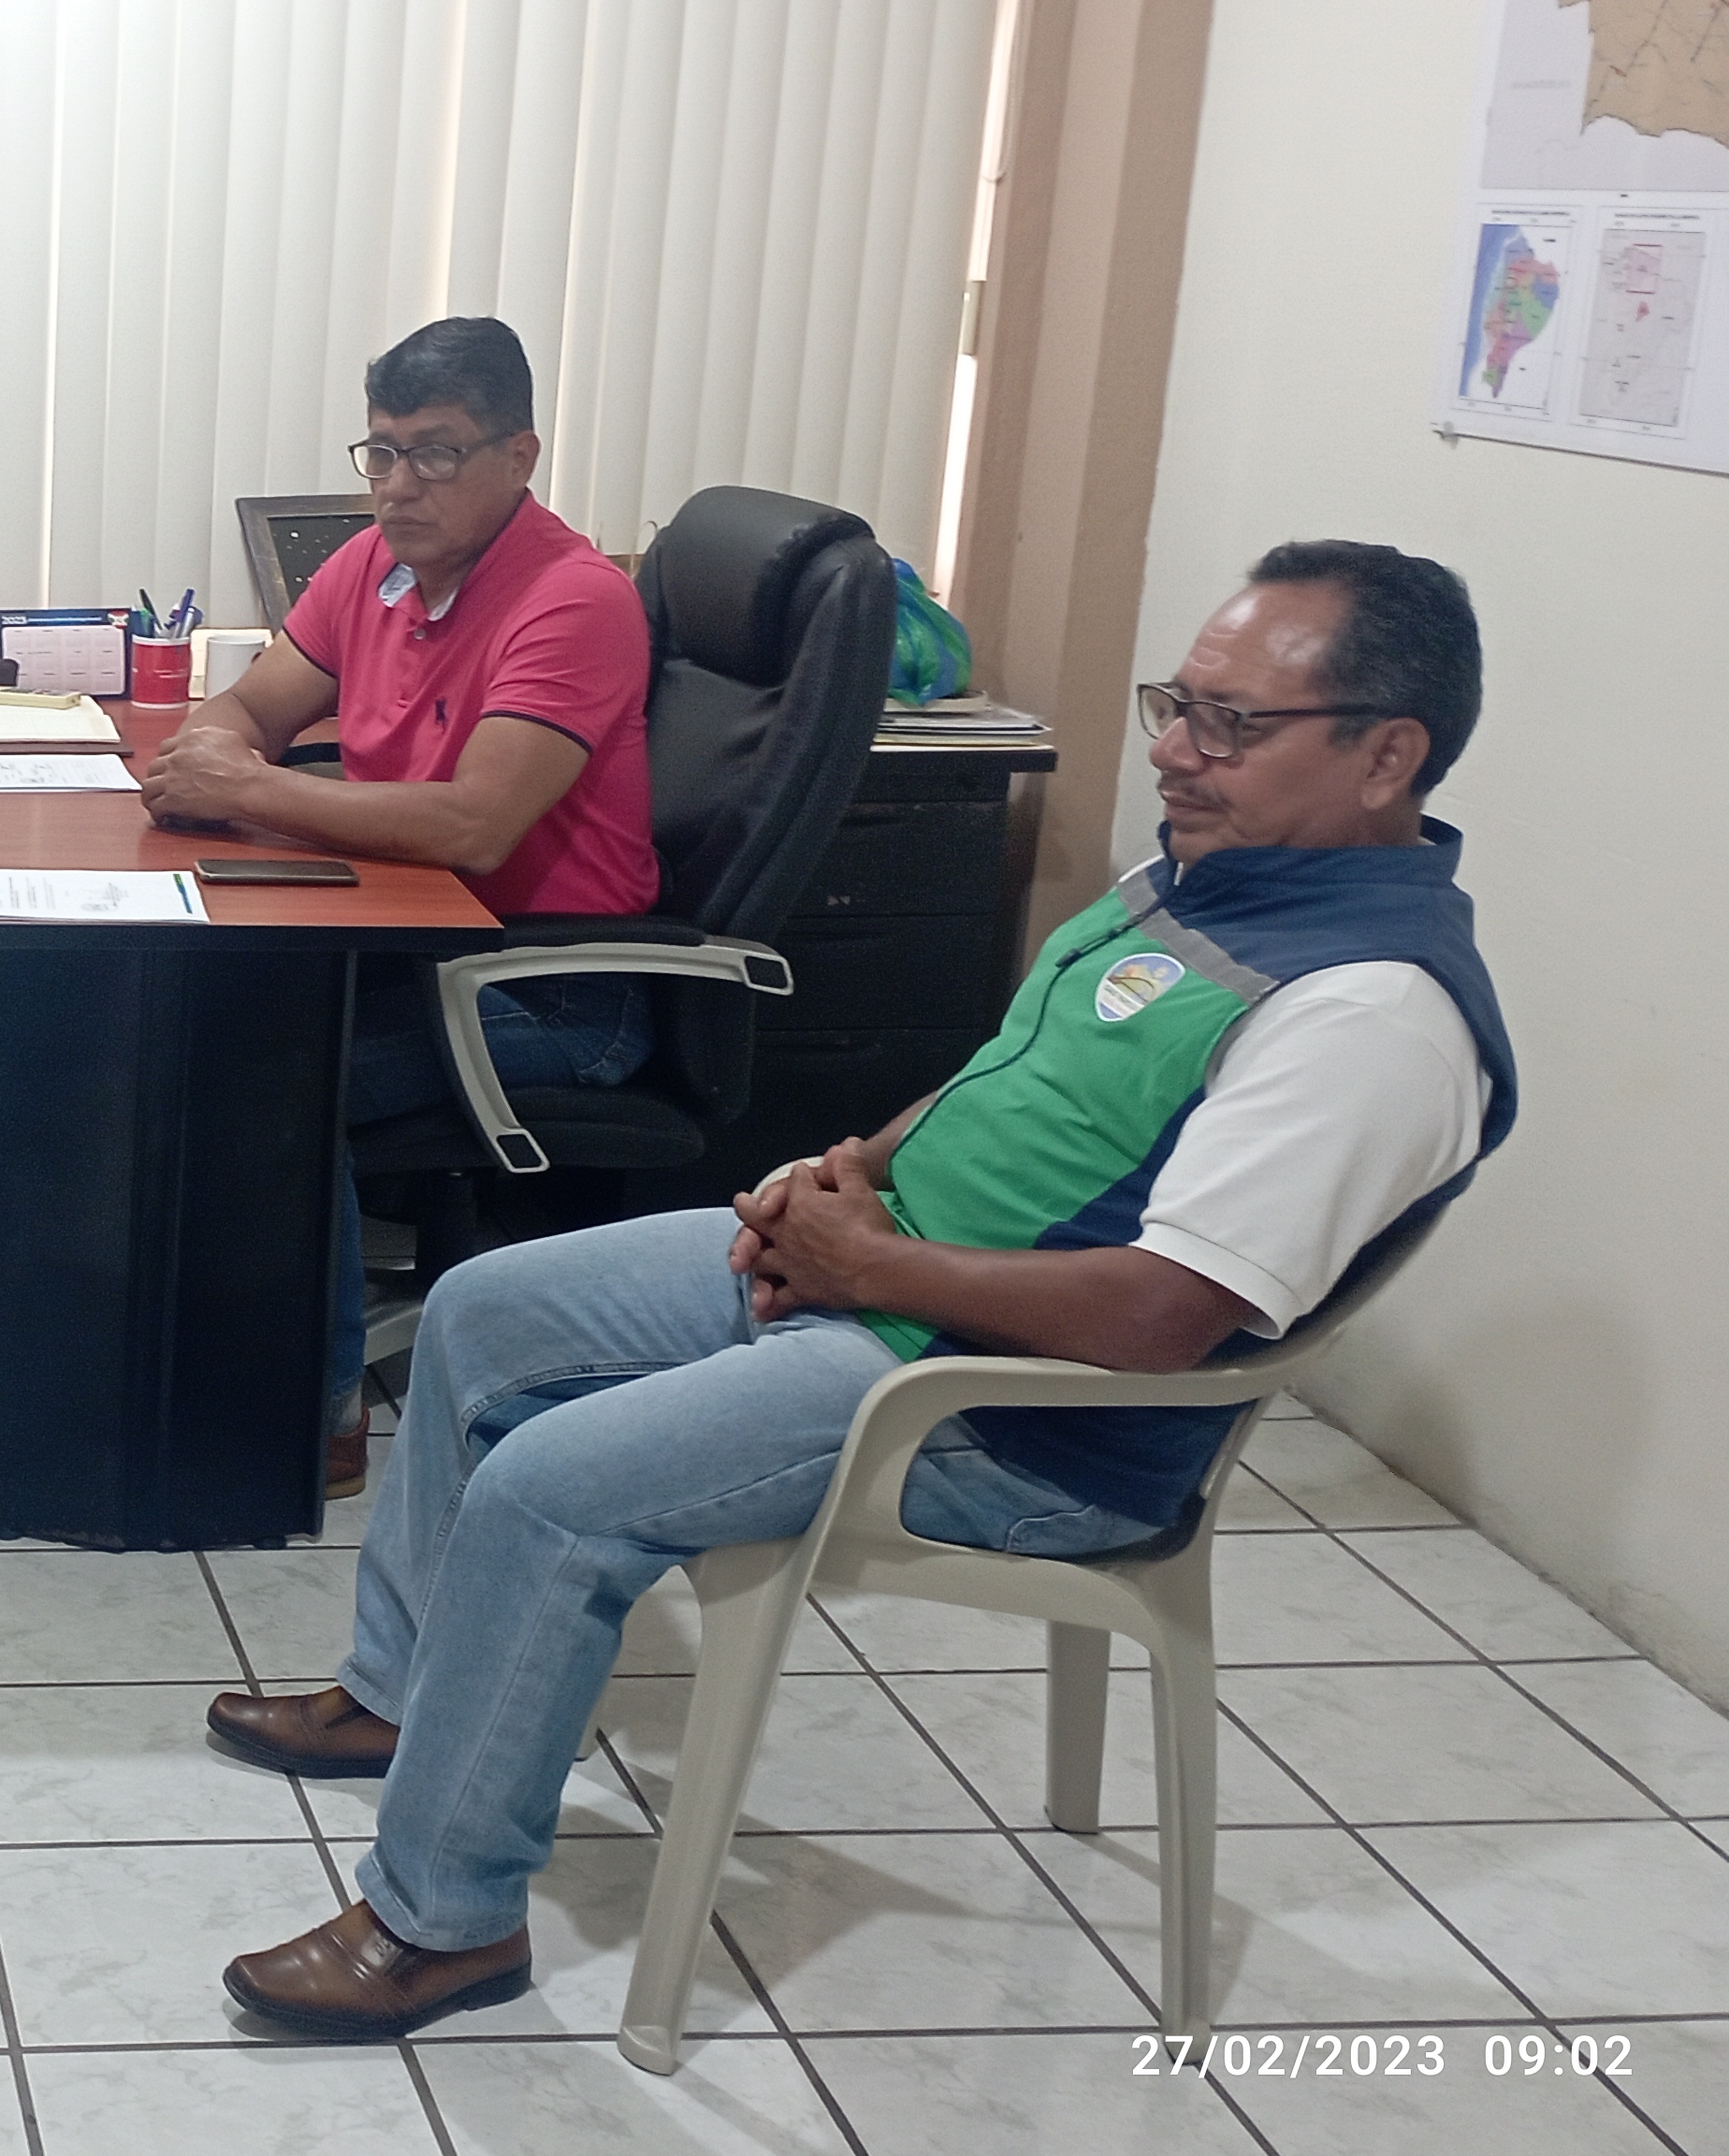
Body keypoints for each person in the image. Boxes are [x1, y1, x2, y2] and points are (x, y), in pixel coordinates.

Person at [203, 544, 1518, 2039]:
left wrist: (869, 1264)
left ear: (1386, 755)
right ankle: (398, 1694)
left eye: (1232, 725)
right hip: (890, 1281)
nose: (1173, 750)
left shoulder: (1367, 1014)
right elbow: (1012, 1078)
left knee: (548, 1490)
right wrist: (843, 1176)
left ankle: (441, 1923)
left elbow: (1162, 1317)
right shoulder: (1210, 878)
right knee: (484, 1310)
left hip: (1010, 1417)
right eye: (1180, 705)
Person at [138, 316, 663, 1499]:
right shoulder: (373, 566)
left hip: (548, 987)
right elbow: (251, 708)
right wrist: (218, 748)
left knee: (266, 1071)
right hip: (403, 940)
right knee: (172, 1008)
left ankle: (315, 1410)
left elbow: (477, 825)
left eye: (434, 453)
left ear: (519, 456)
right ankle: (189, 1337)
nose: (396, 485)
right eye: (380, 451)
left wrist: (249, 788)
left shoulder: (574, 601)